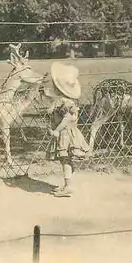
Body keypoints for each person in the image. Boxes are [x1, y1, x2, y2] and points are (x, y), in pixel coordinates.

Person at [44, 62, 90, 198]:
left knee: (65, 160)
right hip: (67, 133)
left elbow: (67, 118)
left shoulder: (66, 103)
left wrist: (56, 130)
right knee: (66, 159)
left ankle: (68, 186)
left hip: (65, 134)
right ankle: (67, 184)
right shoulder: (64, 101)